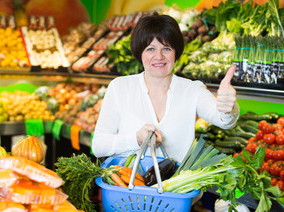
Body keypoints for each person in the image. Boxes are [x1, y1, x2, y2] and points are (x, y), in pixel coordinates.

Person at [92, 13, 239, 164]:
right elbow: (98, 146)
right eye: (150, 49)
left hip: (176, 187)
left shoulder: (192, 90)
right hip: (130, 184)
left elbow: (225, 121)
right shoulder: (120, 88)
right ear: (139, 52)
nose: (159, 56)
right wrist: (136, 138)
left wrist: (228, 107)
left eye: (167, 48)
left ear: (176, 53)